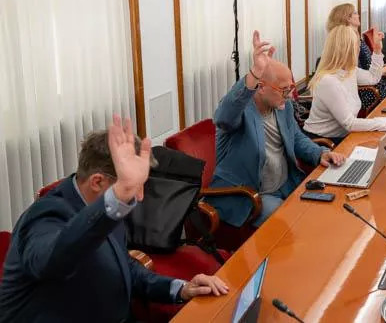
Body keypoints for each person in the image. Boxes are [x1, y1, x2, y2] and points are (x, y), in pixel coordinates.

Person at [0, 116, 229, 322]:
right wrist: (119, 196)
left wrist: (180, 288)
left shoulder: (107, 207)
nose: (140, 197)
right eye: (135, 187)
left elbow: (124, 266)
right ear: (97, 182)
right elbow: (54, 260)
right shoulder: (44, 216)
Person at [210, 31, 346, 227]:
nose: (290, 96)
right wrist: (255, 72)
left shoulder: (283, 105)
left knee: (325, 209)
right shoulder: (240, 112)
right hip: (250, 196)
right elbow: (223, 117)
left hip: (285, 184)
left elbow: (296, 137)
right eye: (284, 90)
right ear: (261, 87)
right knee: (293, 223)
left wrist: (319, 153)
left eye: (291, 88)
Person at [304, 26, 386, 141]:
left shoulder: (349, 70)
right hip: (325, 141)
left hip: (345, 135)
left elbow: (373, 78)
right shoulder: (328, 81)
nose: (359, 50)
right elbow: (349, 124)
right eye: (356, 46)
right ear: (346, 50)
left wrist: (377, 51)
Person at [325, 3, 386, 108]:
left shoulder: (357, 39)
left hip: (372, 83)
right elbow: (357, 73)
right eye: (355, 13)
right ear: (347, 18)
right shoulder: (346, 43)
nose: (358, 15)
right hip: (367, 90)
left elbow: (365, 70)